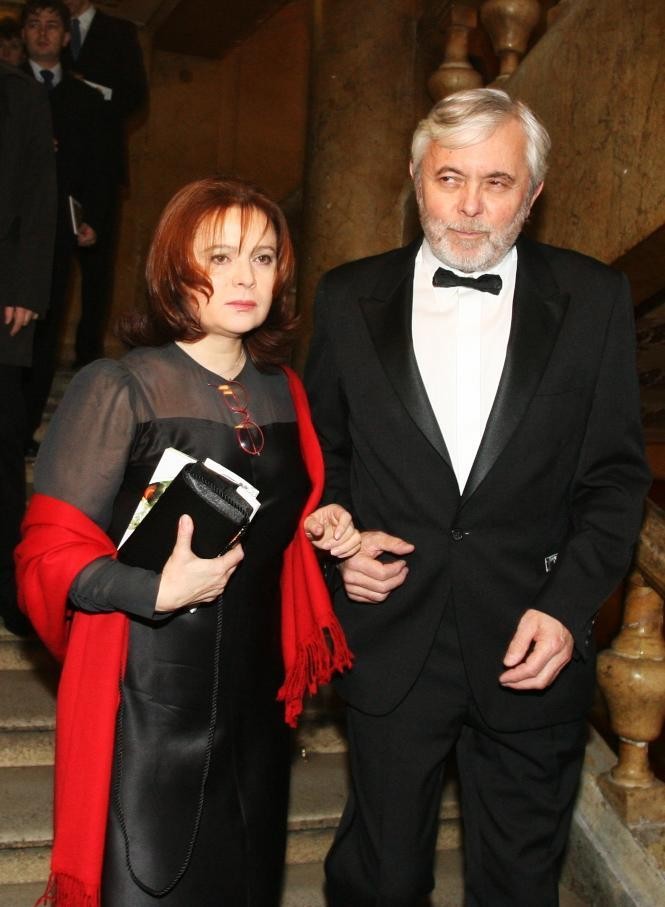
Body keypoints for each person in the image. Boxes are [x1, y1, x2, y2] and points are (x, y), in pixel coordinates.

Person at [305, 87, 651, 907]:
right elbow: (323, 460)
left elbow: (613, 480)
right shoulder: (347, 296)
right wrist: (341, 550)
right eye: (448, 178)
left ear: (532, 194)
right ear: (414, 180)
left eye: (495, 182)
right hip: (391, 636)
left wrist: (566, 607)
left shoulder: (593, 299)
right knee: (379, 879)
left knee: (519, 884)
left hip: (532, 640)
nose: (467, 206)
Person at [16, 176, 356, 907]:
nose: (245, 277)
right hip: (148, 702)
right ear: (175, 268)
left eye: (263, 258)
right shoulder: (120, 387)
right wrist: (153, 588)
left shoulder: (285, 389)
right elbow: (44, 556)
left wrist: (322, 524)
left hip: (258, 706)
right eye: (220, 257)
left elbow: (283, 525)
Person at [20, 0, 112, 457]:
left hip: (58, 232)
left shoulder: (84, 99)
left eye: (51, 25)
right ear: (23, 34)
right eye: (34, 24)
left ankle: (24, 427)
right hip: (8, 233)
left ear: (65, 37)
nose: (42, 33)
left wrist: (91, 217)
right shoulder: (8, 88)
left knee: (46, 330)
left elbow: (99, 168)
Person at [0, 60, 56, 635]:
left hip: (2, 296)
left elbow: (40, 193)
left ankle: (7, 587)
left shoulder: (20, 93)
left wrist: (24, 287)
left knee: (1, 446)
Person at [61, 0, 148, 367]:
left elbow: (136, 95)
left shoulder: (119, 31)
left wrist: (93, 91)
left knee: (97, 268)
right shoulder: (49, 26)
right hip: (56, 166)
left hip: (101, 166)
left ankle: (87, 355)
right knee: (49, 264)